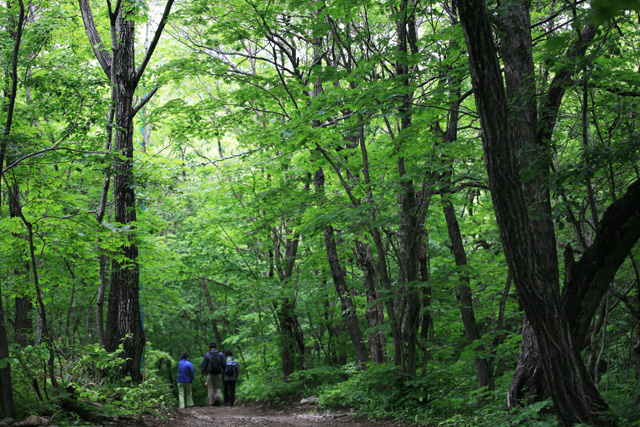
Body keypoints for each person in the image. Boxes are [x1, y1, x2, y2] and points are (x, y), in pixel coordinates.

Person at [201, 341, 226, 406]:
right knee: (218, 387)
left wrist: (202, 373)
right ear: (216, 347)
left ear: (210, 348)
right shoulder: (220, 354)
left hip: (210, 374)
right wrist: (223, 372)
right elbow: (224, 364)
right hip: (218, 373)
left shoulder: (207, 355)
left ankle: (211, 402)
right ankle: (218, 398)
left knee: (210, 387)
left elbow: (204, 365)